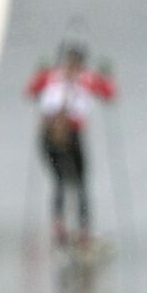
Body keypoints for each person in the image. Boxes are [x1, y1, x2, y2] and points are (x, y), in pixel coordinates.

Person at [24, 43, 115, 247]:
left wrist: (40, 74)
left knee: (64, 181)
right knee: (76, 182)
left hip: (52, 135)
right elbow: (109, 94)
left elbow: (31, 90)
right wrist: (107, 76)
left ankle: (63, 228)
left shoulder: (53, 76)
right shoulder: (84, 78)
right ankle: (78, 231)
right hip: (66, 134)